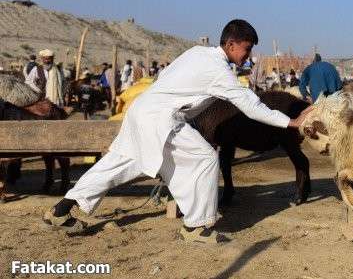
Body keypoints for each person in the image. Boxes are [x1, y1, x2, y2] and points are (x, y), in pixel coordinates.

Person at [43, 19, 311, 243]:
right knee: (205, 158)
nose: (248, 56)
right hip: (162, 119)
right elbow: (251, 106)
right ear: (230, 44)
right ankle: (197, 227)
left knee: (119, 164)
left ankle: (60, 210)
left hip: (142, 111)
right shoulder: (219, 71)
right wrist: (291, 123)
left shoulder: (196, 52)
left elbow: (166, 79)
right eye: (246, 49)